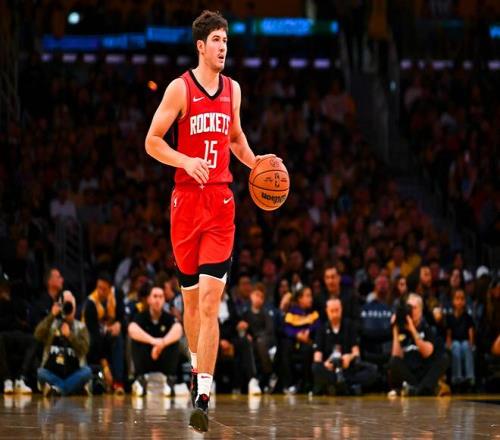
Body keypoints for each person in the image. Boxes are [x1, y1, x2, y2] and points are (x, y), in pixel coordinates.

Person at [144, 9, 277, 432]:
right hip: (185, 203)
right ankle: (196, 365)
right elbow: (152, 141)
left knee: (208, 302)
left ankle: (203, 391)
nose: (223, 47)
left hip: (220, 202)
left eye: (226, 41)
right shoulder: (179, 89)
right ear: (201, 46)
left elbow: (235, 138)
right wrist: (185, 160)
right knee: (189, 303)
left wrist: (257, 164)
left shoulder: (233, 90)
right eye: (216, 40)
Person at [388, 293, 449, 396]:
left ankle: (414, 390)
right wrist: (395, 329)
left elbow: (427, 353)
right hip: (410, 373)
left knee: (444, 358)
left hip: (425, 371)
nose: (411, 310)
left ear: (421, 310)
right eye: (409, 307)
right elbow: (396, 356)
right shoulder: (401, 328)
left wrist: (412, 329)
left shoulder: (427, 327)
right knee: (393, 362)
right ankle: (423, 389)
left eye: (414, 308)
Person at [313, 298, 377, 395]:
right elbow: (317, 358)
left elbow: (356, 353)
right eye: (332, 311)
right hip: (330, 369)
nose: (335, 314)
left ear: (341, 309)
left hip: (347, 369)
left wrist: (349, 357)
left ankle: (337, 386)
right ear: (327, 311)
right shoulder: (321, 329)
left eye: (337, 310)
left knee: (372, 370)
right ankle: (346, 387)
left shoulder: (350, 326)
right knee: (316, 368)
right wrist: (326, 364)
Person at [128, 285, 183, 397]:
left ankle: (170, 380)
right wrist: (153, 341)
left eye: (161, 297)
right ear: (149, 299)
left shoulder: (168, 318)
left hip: (163, 361)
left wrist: (162, 343)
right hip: (146, 359)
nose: (158, 300)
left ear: (164, 300)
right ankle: (141, 380)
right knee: (135, 340)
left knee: (174, 341)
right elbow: (131, 329)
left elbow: (178, 329)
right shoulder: (141, 316)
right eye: (155, 296)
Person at [35, 291, 92, 396]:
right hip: (53, 372)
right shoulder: (52, 324)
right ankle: (71, 389)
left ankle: (57, 389)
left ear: (75, 308)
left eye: (71, 305)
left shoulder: (81, 327)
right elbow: (37, 335)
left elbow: (84, 350)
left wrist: (70, 335)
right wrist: (52, 315)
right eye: (66, 305)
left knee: (87, 372)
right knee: (40, 372)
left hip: (73, 373)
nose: (68, 309)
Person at [83, 272, 125, 394]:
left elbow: (123, 317)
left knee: (118, 338)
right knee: (99, 342)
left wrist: (119, 324)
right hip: (92, 340)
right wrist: (105, 367)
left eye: (104, 289)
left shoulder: (117, 295)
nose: (101, 292)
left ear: (110, 289)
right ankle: (106, 377)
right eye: (99, 288)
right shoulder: (90, 303)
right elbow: (95, 337)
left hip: (109, 334)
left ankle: (119, 382)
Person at [445, 288, 475, 389]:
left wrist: (471, 344)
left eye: (462, 299)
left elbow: (470, 331)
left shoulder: (468, 317)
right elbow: (448, 333)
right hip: (455, 342)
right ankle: (456, 377)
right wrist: (448, 345)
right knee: (456, 346)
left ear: (465, 301)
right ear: (453, 301)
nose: (460, 301)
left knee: (466, 346)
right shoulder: (450, 317)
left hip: (465, 341)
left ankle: (470, 377)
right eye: (457, 298)